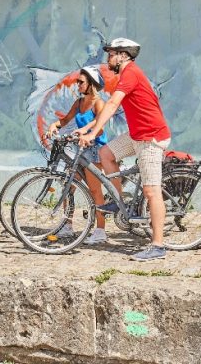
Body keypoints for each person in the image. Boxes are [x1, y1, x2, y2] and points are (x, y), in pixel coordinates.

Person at [78, 38, 172, 262]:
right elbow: (108, 109)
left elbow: (111, 105)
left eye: (111, 54)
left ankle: (158, 245)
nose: (108, 58)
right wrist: (91, 127)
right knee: (106, 154)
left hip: (150, 136)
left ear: (123, 55)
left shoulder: (131, 73)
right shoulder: (126, 76)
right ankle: (120, 202)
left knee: (151, 192)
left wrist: (92, 134)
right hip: (136, 134)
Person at [45, 66, 110, 245]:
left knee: (95, 190)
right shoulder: (79, 102)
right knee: (69, 186)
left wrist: (85, 130)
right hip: (79, 149)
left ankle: (100, 230)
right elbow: (65, 120)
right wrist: (54, 125)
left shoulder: (99, 102)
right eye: (77, 82)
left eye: (81, 82)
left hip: (94, 149)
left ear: (92, 84)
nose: (77, 85)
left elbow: (101, 126)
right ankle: (67, 225)